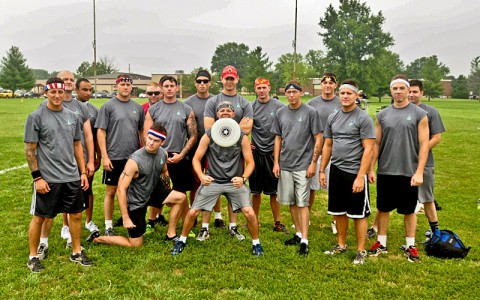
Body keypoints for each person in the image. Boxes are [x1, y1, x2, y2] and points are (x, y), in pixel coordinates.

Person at [170, 101, 263, 257]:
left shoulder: (241, 136)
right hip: (213, 181)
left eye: (228, 110)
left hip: (234, 182)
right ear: (217, 114)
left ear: (234, 114)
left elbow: (250, 162)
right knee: (193, 212)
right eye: (222, 111)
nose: (225, 113)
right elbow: (196, 158)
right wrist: (201, 176)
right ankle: (182, 240)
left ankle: (256, 244)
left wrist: (243, 178)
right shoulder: (209, 134)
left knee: (249, 212)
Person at [24, 77, 92, 272]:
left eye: (60, 92)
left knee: (76, 215)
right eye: (52, 92)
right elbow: (30, 150)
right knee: (40, 217)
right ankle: (33, 256)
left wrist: (82, 173)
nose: (57, 95)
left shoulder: (73, 116)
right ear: (45, 92)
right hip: (48, 179)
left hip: (71, 177)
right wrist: (37, 177)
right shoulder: (36, 116)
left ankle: (76, 252)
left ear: (65, 93)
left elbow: (77, 145)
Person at [87, 123, 187, 247]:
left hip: (151, 192)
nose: (151, 143)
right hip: (136, 202)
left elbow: (164, 170)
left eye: (156, 141)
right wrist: (125, 217)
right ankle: (98, 238)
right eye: (149, 138)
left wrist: (167, 190)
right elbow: (121, 189)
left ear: (162, 142)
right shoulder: (134, 161)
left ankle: (171, 234)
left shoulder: (163, 154)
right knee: (135, 244)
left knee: (180, 197)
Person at [367, 74, 429, 263]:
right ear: (391, 91)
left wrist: (419, 172)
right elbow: (376, 144)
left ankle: (410, 245)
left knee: (409, 210)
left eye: (402, 88)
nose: (399, 92)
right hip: (386, 170)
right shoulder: (383, 115)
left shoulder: (419, 114)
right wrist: (370, 168)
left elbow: (424, 144)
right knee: (383, 208)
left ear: (408, 91)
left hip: (409, 171)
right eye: (395, 89)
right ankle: (381, 243)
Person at [38, 71, 95, 254]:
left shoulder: (80, 108)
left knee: (77, 205)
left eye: (71, 79)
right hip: (52, 168)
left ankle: (75, 239)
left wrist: (89, 162)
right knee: (49, 210)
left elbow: (85, 137)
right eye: (65, 79)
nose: (68, 82)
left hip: (74, 166)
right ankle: (46, 240)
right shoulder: (42, 109)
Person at [320, 80, 375, 265]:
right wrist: (322, 170)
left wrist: (361, 176)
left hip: (355, 172)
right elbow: (328, 144)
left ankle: (361, 251)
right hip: (336, 170)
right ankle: (341, 245)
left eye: (348, 93)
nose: (344, 96)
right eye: (342, 93)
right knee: (339, 211)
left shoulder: (363, 118)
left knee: (358, 214)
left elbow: (368, 149)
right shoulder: (333, 117)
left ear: (356, 96)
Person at [202, 65, 254, 240]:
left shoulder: (245, 102)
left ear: (237, 79)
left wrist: (226, 129)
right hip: (215, 151)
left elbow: (248, 127)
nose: (229, 81)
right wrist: (234, 128)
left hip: (235, 152)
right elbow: (208, 127)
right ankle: (206, 225)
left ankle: (233, 226)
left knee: (233, 185)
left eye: (232, 78)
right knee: (212, 184)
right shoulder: (213, 101)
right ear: (222, 80)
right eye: (226, 78)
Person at [272, 80, 323, 255]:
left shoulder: (310, 112)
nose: (291, 95)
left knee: (303, 202)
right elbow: (278, 138)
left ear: (301, 93)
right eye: (289, 92)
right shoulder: (280, 113)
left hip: (303, 165)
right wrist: (276, 162)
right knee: (292, 201)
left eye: (295, 92)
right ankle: (298, 233)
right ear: (285, 94)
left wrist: (313, 162)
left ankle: (305, 241)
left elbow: (318, 137)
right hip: (286, 164)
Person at [144, 75, 196, 240]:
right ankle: (151, 221)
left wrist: (182, 154)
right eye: (165, 86)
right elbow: (147, 135)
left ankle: (187, 223)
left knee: (181, 191)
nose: (169, 88)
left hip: (179, 156)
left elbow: (193, 135)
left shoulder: (186, 109)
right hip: (158, 156)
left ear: (177, 88)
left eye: (172, 85)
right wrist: (158, 153)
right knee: (157, 189)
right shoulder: (154, 110)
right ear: (161, 88)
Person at [95, 74, 145, 236]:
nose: (125, 87)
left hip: (132, 158)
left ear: (132, 87)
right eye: (122, 84)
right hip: (114, 156)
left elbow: (141, 131)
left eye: (128, 85)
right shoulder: (108, 106)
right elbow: (101, 132)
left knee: (132, 190)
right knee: (111, 190)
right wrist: (104, 156)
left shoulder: (137, 107)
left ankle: (130, 219)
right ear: (116, 86)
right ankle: (108, 225)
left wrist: (143, 152)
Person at [184, 70, 224, 241]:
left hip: (215, 148)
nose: (202, 84)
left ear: (210, 83)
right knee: (196, 184)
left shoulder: (217, 100)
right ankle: (194, 214)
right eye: (199, 81)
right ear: (195, 83)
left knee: (214, 182)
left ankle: (218, 215)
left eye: (205, 81)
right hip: (195, 148)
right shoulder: (188, 103)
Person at [250, 77, 289, 234]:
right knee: (255, 191)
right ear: (255, 89)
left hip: (273, 153)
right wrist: (245, 144)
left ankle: (277, 222)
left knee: (274, 191)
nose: (261, 91)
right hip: (256, 153)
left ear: (269, 88)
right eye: (258, 88)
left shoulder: (279, 106)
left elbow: (286, 127)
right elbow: (242, 127)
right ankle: (254, 221)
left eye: (264, 88)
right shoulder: (250, 107)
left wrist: (279, 149)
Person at [408, 79, 446, 239]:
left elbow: (436, 137)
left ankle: (435, 232)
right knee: (393, 198)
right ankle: (376, 229)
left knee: (427, 197)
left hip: (425, 163)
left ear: (422, 93)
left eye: (415, 92)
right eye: (409, 91)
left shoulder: (431, 112)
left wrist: (421, 151)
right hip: (403, 163)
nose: (411, 95)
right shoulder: (399, 110)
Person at [307, 73, 341, 234]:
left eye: (331, 82)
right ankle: (305, 217)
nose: (327, 85)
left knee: (334, 188)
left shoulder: (341, 102)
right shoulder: (312, 103)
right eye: (325, 82)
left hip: (336, 152)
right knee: (311, 187)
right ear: (321, 85)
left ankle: (336, 220)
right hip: (316, 152)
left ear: (335, 85)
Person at [75, 78, 101, 233]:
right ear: (76, 90)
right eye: (85, 89)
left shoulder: (94, 111)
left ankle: (89, 221)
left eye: (90, 90)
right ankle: (66, 225)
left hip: (87, 158)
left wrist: (96, 157)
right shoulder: (67, 107)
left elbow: (98, 135)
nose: (88, 93)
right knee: (70, 191)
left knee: (88, 188)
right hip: (69, 158)